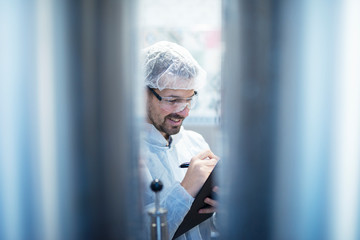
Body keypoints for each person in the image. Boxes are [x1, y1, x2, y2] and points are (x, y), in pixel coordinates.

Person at [142, 41, 219, 239]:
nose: (183, 112)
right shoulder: (120, 155)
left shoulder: (196, 142)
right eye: (172, 100)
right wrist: (185, 190)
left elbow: (211, 224)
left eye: (189, 99)